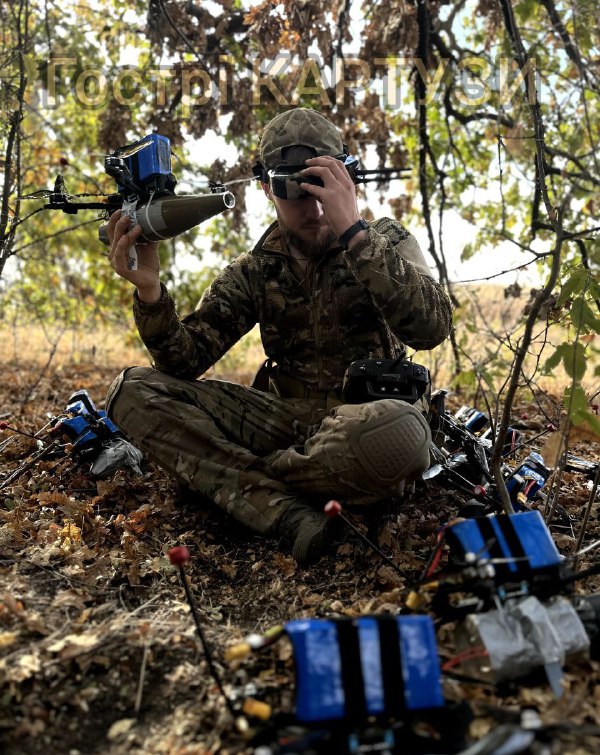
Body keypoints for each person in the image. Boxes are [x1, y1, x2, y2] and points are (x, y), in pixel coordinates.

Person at [105, 108, 452, 566]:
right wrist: (150, 291)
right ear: (267, 188)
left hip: (363, 422)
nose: (311, 208)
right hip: (285, 419)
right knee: (132, 389)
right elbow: (182, 362)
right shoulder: (257, 268)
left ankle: (235, 485)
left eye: (322, 185)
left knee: (401, 433)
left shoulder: (385, 241)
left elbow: (432, 328)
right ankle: (286, 513)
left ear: (347, 181)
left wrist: (355, 234)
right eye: (293, 189)